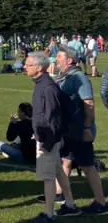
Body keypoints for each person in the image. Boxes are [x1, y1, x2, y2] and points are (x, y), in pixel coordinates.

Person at [49, 46, 108, 214]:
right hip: (69, 130)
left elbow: (88, 103)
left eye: (59, 56)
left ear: (69, 60)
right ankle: (63, 198)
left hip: (80, 130)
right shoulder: (65, 76)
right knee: (64, 162)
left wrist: (87, 128)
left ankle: (101, 203)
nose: (56, 59)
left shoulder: (78, 77)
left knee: (87, 165)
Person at [25, 52, 80, 222]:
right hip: (46, 137)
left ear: (39, 68)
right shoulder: (41, 84)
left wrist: (47, 142)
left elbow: (54, 118)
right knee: (58, 172)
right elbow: (43, 115)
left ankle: (48, 214)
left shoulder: (48, 87)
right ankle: (70, 204)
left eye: (28, 65)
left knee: (48, 178)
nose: (24, 67)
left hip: (49, 140)